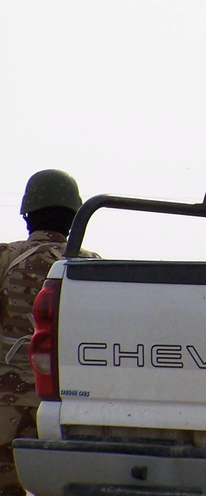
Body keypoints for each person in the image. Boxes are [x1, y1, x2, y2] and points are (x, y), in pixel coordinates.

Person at [0, 169, 84, 495]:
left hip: (7, 403)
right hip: (67, 406)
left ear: (27, 214)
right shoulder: (89, 266)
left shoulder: (6, 257)